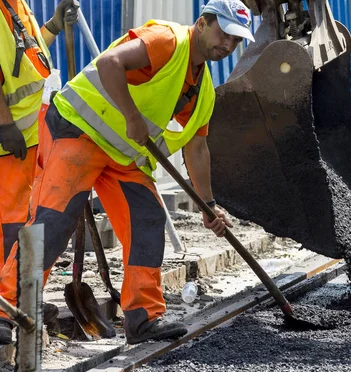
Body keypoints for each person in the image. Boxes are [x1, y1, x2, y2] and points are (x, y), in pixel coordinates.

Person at [0, 0, 254, 345]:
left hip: (121, 155)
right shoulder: (167, 40)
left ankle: (142, 319)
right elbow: (110, 62)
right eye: (223, 33)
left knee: (147, 219)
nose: (227, 45)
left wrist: (208, 205)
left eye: (235, 41)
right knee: (54, 221)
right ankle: (7, 309)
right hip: (79, 131)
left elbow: (197, 148)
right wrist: (132, 117)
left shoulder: (201, 90)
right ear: (203, 22)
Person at [0, 0, 79, 337]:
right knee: (12, 221)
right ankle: (7, 305)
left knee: (20, 216)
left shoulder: (16, 4)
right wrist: (4, 124)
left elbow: (26, 60)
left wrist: (53, 27)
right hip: (10, 136)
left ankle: (17, 299)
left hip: (27, 132)